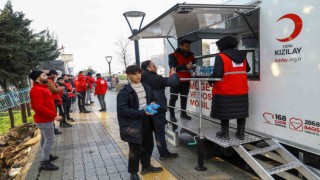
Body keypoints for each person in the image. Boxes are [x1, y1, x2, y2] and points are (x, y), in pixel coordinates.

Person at [117, 65, 163, 180]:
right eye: (134, 73)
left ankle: (146, 166)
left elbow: (154, 99)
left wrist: (154, 105)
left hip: (148, 120)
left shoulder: (146, 87)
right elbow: (122, 110)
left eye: (139, 73)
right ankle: (133, 173)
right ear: (128, 75)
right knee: (135, 149)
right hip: (133, 124)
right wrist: (143, 112)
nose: (138, 75)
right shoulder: (124, 92)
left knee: (149, 145)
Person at [209, 36, 251, 140]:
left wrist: (210, 80)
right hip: (241, 89)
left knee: (225, 112)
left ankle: (225, 133)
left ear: (223, 46)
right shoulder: (242, 56)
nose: (218, 49)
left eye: (219, 47)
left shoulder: (221, 56)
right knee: (241, 112)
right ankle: (241, 133)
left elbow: (217, 74)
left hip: (225, 90)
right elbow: (248, 69)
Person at [141, 60, 180, 160]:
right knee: (160, 132)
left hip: (146, 108)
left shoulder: (141, 78)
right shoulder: (156, 78)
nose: (156, 67)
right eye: (153, 65)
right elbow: (174, 82)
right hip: (157, 107)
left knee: (150, 133)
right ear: (149, 68)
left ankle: (147, 159)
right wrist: (174, 74)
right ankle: (164, 154)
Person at [29, 70, 62, 171]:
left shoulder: (42, 87)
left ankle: (46, 155)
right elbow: (39, 107)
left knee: (44, 139)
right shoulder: (36, 90)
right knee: (50, 139)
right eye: (43, 75)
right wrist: (54, 115)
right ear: (38, 78)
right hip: (44, 119)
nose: (46, 77)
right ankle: (44, 161)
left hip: (46, 118)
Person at [168, 39, 195, 122]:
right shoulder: (172, 55)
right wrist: (185, 66)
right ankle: (172, 115)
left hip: (186, 79)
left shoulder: (192, 55)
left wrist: (193, 68)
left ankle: (183, 113)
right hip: (175, 79)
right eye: (186, 46)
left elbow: (193, 66)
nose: (188, 48)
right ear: (181, 46)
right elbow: (173, 67)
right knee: (173, 97)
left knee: (184, 98)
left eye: (189, 46)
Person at [47, 70, 63, 135]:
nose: (56, 76)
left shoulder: (52, 81)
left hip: (55, 99)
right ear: (52, 74)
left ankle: (53, 128)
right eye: (56, 75)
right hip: (53, 99)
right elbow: (54, 90)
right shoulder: (49, 81)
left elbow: (56, 87)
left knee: (54, 113)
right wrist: (61, 88)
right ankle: (53, 129)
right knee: (53, 114)